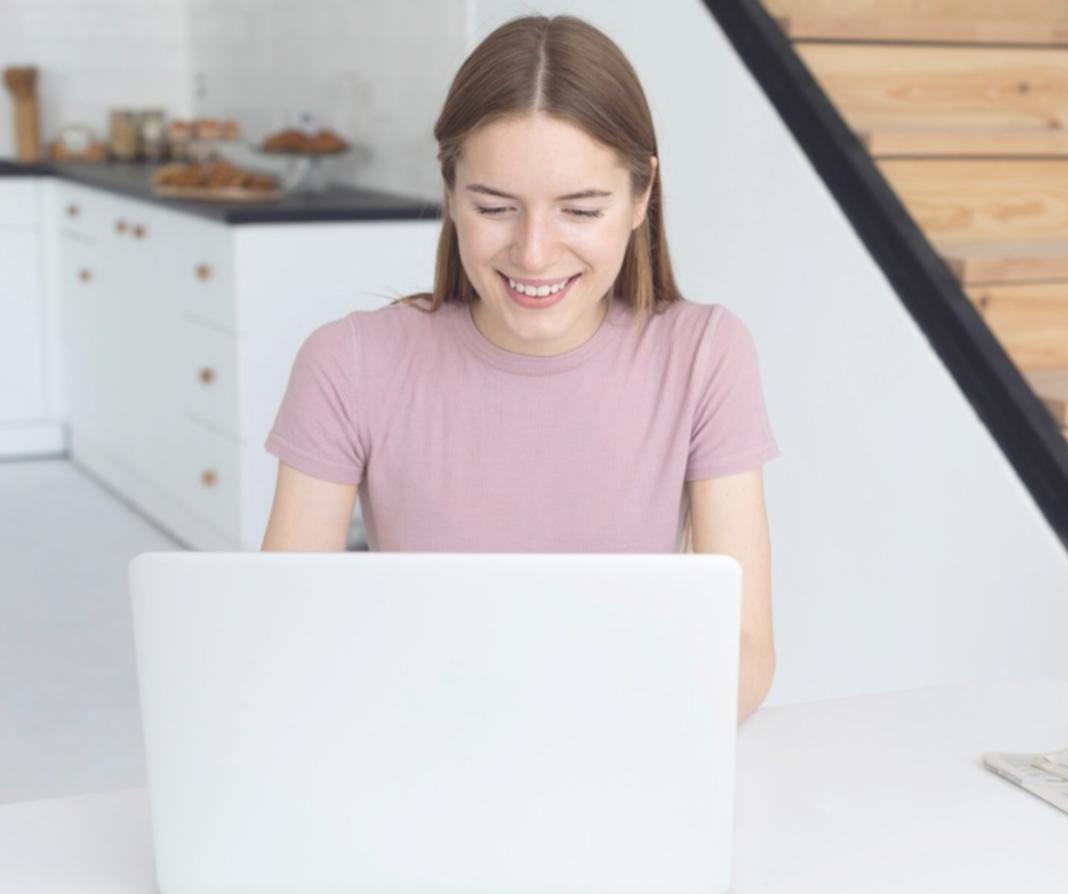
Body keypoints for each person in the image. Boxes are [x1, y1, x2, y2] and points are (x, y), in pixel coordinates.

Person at [259, 15, 781, 723]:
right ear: (450, 192)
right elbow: (286, 632)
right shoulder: (348, 362)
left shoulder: (705, 354)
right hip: (418, 750)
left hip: (627, 750)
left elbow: (744, 651)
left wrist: (610, 747)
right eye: (496, 207)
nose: (534, 254)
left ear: (640, 196)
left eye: (580, 209)